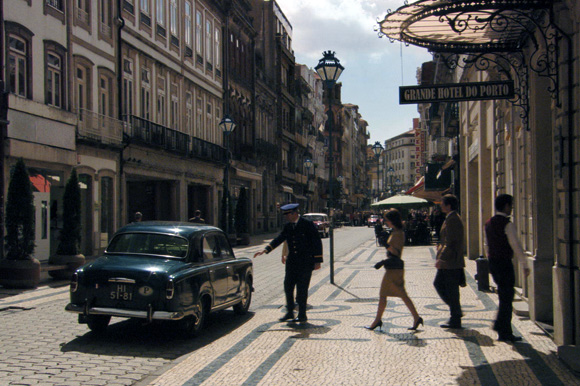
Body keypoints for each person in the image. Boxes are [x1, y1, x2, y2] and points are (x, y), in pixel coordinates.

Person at [254, 203, 323, 323]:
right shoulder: (288, 226)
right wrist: (266, 249)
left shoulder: (307, 224)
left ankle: (302, 314)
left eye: (287, 214)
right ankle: (290, 312)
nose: (286, 217)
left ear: (294, 213)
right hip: (292, 262)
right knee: (288, 286)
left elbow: (317, 242)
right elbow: (280, 238)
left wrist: (317, 261)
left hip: (305, 262)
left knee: (302, 289)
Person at [366, 209, 423, 331]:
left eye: (386, 220)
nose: (385, 222)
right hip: (393, 268)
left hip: (393, 269)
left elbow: (396, 252)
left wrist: (386, 244)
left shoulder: (398, 233)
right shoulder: (397, 231)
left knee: (387, 295)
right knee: (397, 294)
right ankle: (416, 317)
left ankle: (377, 321)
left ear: (392, 220)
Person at [485, 194, 530, 342]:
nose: (512, 208)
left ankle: (503, 329)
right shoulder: (507, 224)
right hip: (504, 264)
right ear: (505, 206)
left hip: (493, 263)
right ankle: (503, 329)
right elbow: (515, 245)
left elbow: (487, 245)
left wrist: (490, 259)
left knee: (504, 296)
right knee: (507, 297)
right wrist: (524, 264)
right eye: (511, 205)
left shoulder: (489, 223)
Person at [433, 194, 465, 329]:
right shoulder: (451, 218)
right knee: (444, 286)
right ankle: (455, 313)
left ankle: (456, 315)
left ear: (449, 205)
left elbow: (450, 242)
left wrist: (442, 258)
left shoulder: (453, 219)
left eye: (443, 203)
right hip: (450, 261)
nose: (440, 205)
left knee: (447, 288)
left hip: (451, 261)